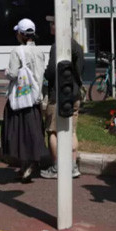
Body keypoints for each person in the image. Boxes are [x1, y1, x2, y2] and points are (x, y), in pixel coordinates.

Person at [1, 18, 48, 183]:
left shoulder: (17, 51)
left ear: (21, 34)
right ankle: (29, 163)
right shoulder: (39, 52)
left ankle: (25, 164)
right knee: (32, 130)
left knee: (18, 132)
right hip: (34, 98)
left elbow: (13, 74)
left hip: (20, 98)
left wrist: (6, 72)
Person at [40, 15, 85, 180]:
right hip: (75, 93)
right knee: (71, 130)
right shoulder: (77, 46)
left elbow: (52, 71)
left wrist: (45, 74)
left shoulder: (57, 45)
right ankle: (72, 166)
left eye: (52, 23)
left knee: (52, 130)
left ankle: (56, 166)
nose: (50, 27)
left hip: (58, 94)